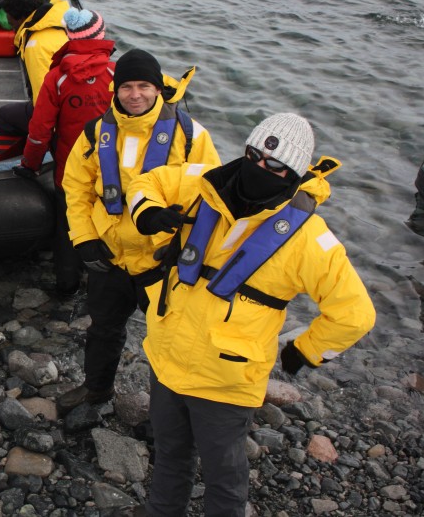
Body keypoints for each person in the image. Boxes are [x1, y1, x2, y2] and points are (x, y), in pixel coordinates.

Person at [126, 112, 376, 517]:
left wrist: (305, 350)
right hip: (166, 359)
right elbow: (147, 181)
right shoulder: (203, 186)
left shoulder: (309, 238)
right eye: (254, 155)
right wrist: (148, 213)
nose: (261, 168)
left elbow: (355, 313)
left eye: (275, 166)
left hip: (226, 383)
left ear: (293, 173)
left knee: (224, 477)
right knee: (170, 453)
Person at [58, 49, 221, 412]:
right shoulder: (95, 133)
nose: (135, 95)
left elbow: (213, 199)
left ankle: (168, 415)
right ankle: (96, 390)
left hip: (162, 263)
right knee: (102, 330)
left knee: (169, 343)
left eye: (144, 86)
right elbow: (76, 188)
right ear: (114, 91)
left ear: (159, 88)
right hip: (110, 258)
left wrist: (187, 250)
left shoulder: (193, 137)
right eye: (126, 86)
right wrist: (84, 239)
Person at [15, 8, 115, 295]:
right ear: (100, 36)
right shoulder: (117, 74)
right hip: (111, 168)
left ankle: (67, 284)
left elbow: (40, 130)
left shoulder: (57, 77)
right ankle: (104, 282)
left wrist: (30, 165)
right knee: (108, 220)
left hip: (71, 170)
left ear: (70, 37)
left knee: (68, 226)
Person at [0, 0, 71, 137]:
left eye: (12, 23)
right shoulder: (57, 25)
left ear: (21, 19)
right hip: (70, 103)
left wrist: (45, 133)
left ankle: (14, 158)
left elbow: (43, 95)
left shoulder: (35, 45)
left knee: (5, 116)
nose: (12, 27)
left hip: (59, 116)